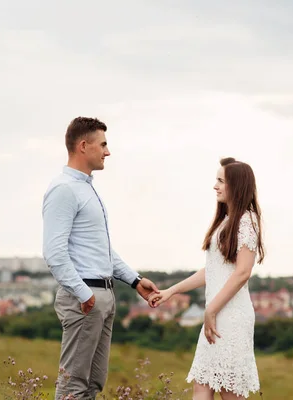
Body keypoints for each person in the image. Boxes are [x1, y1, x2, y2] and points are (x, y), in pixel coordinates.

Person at [42, 116, 160, 400]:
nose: (108, 152)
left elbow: (102, 250)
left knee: (93, 384)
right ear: (84, 146)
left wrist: (134, 280)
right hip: (85, 297)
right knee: (73, 386)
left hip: (102, 295)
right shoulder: (64, 189)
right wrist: (83, 294)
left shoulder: (86, 188)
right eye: (103, 144)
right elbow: (54, 252)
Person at [148, 157, 265, 400]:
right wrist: (172, 291)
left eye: (221, 181)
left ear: (237, 185)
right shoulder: (225, 221)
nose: (215, 186)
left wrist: (211, 309)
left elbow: (242, 272)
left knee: (229, 392)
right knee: (202, 385)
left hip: (231, 317)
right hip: (215, 314)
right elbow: (211, 270)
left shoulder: (246, 221)